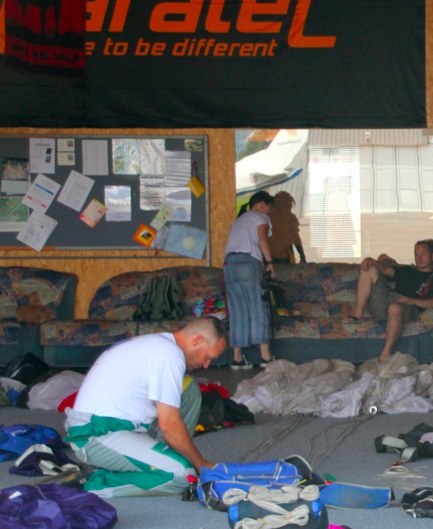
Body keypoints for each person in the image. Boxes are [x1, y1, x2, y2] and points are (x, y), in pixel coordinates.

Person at [63, 317, 228, 497]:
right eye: (208, 357)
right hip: (96, 435)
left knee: (188, 388)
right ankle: (91, 481)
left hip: (122, 426)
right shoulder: (169, 355)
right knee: (183, 476)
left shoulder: (161, 344)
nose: (206, 365)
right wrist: (201, 465)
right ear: (197, 340)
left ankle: (167, 459)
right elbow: (170, 425)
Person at [351, 239, 433, 359]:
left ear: (432, 256)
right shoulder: (407, 270)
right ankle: (358, 313)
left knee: (395, 308)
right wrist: (369, 260)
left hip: (407, 306)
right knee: (369, 267)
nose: (419, 258)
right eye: (417, 255)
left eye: (423, 254)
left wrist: (412, 301)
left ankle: (386, 353)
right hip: (385, 301)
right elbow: (384, 269)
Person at [224, 189, 276, 369]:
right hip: (248, 262)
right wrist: (270, 263)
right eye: (270, 207)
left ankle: (237, 358)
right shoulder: (260, 217)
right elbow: (262, 239)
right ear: (261, 204)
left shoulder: (240, 219)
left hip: (229, 264)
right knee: (257, 306)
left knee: (237, 310)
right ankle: (265, 357)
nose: (270, 212)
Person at [267, 191, 306, 265]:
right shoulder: (290, 218)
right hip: (283, 256)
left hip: (268, 256)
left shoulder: (267, 216)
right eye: (289, 203)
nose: (291, 206)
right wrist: (302, 256)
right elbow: (296, 238)